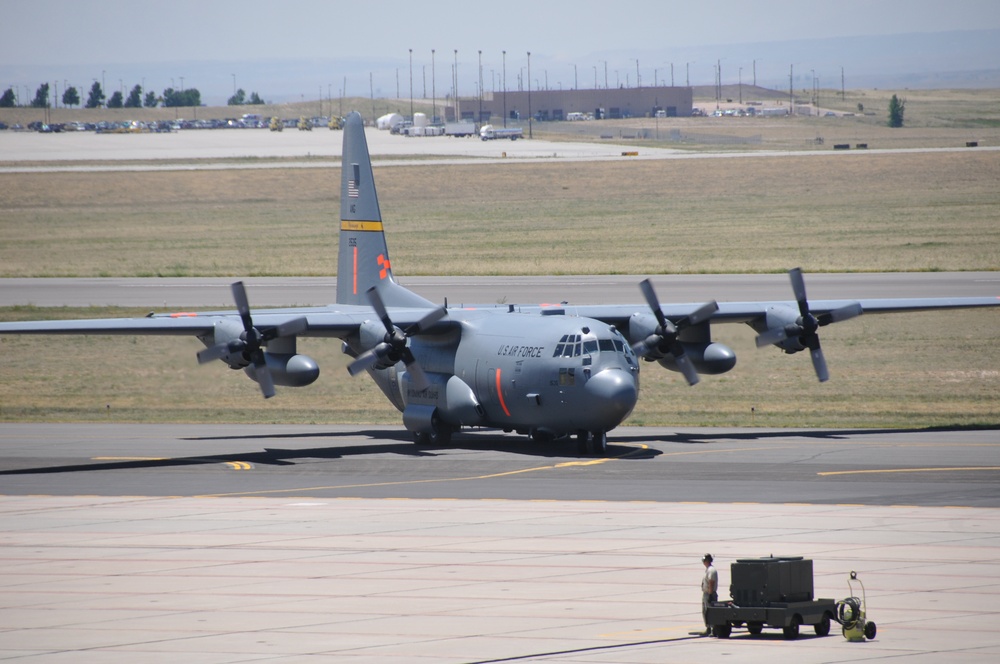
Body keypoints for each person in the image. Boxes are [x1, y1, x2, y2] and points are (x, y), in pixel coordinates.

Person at [701, 553, 718, 635]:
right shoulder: (708, 569)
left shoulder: (711, 570)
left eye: (704, 560)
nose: (703, 562)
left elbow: (711, 582)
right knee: (705, 611)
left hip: (709, 594)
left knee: (710, 612)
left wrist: (710, 595)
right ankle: (708, 628)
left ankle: (712, 629)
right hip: (706, 593)